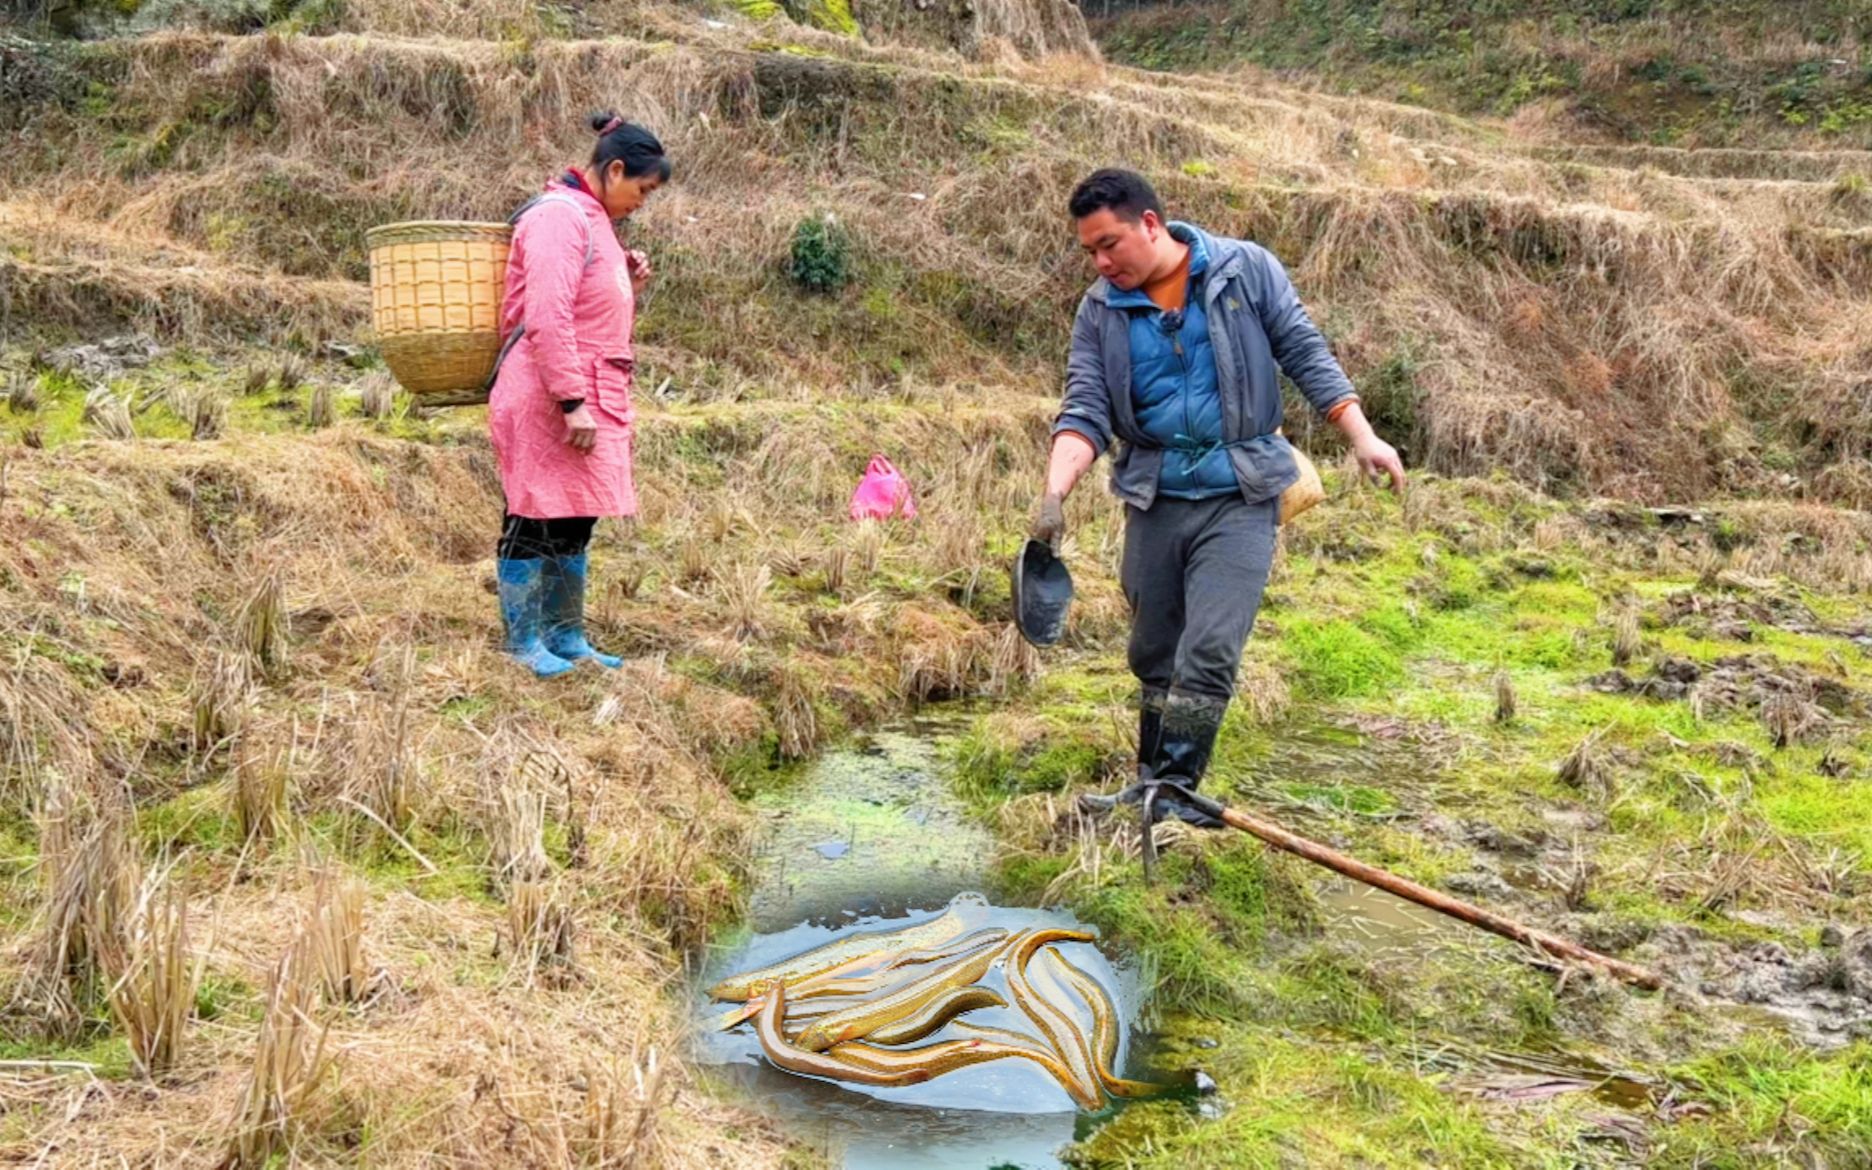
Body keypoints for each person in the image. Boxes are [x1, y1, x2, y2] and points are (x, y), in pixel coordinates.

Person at [1035, 169, 1405, 819]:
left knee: (1209, 646)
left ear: (1150, 224)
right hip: (1155, 494)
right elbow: (1085, 407)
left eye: (1110, 243)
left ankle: (1176, 792)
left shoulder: (1244, 271)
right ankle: (1151, 780)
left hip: (1242, 490)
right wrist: (1054, 494)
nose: (1100, 261)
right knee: (1154, 648)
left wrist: (1363, 437)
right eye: (1088, 250)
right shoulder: (1100, 311)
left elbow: (1304, 351)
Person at [488, 113, 668, 678]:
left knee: (576, 518)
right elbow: (546, 313)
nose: (643, 201)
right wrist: (571, 400)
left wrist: (628, 282)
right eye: (642, 189)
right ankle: (524, 643)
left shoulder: (596, 223)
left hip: (594, 390)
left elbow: (592, 309)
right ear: (615, 169)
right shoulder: (559, 218)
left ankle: (566, 635)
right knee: (534, 514)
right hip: (550, 391)